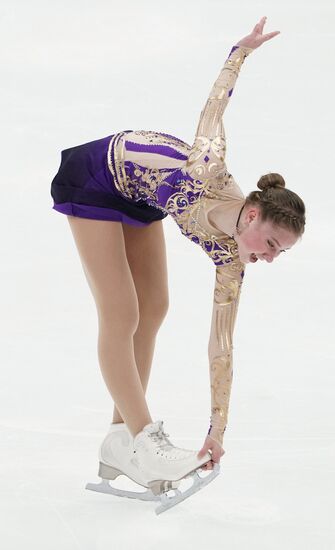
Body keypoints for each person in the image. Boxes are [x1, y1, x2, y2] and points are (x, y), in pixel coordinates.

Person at [50, 16, 305, 510]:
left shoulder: (232, 257)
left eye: (281, 253)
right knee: (121, 311)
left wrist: (217, 428)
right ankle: (144, 439)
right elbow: (215, 105)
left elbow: (221, 345)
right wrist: (241, 51)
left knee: (156, 306)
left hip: (141, 199)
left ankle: (119, 437)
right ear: (252, 213)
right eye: (272, 243)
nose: (271, 258)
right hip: (98, 174)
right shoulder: (207, 166)